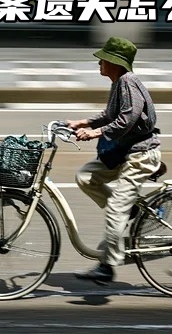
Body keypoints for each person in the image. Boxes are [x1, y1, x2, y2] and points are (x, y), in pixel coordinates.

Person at [66, 36, 162, 283]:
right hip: (125, 153)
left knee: (116, 209)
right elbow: (110, 115)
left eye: (103, 59)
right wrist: (82, 122)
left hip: (140, 155)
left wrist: (95, 133)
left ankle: (107, 266)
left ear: (115, 63)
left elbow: (128, 118)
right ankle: (130, 210)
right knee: (86, 176)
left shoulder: (128, 81)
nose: (99, 63)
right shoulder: (119, 82)